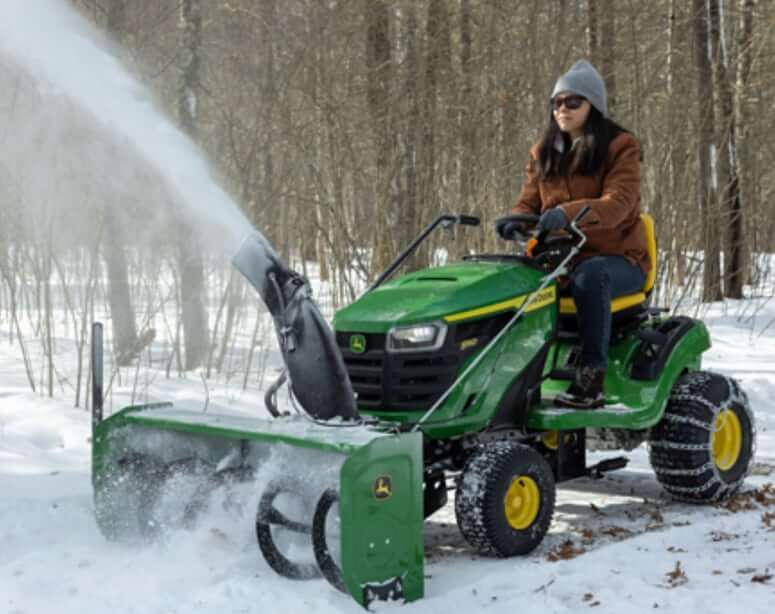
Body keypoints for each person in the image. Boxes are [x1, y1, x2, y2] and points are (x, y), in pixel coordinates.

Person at [497, 60, 650, 410]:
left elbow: (619, 204)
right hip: (562, 260)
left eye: (572, 102)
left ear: (592, 105)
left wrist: (565, 215)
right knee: (508, 280)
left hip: (620, 260)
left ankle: (590, 377)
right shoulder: (543, 151)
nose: (561, 110)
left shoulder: (620, 146)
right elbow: (528, 202)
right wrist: (516, 221)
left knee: (590, 273)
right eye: (556, 103)